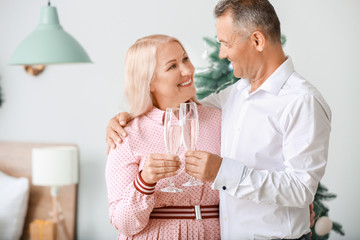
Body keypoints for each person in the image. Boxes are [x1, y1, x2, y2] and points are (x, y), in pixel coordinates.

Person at [106, 1, 325, 239]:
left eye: (226, 43)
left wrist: (222, 172)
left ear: (257, 41)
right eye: (172, 65)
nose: (221, 54)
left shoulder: (301, 100)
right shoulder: (232, 98)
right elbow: (178, 110)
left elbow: (302, 188)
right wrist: (124, 120)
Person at [105, 34, 222, 239]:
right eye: (172, 66)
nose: (188, 70)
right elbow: (123, 224)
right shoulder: (127, 135)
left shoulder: (219, 120)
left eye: (185, 59)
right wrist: (145, 181)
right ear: (149, 82)